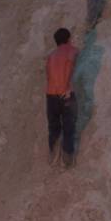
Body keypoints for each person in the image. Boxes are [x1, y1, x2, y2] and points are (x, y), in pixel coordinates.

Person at [45, 27, 79, 168]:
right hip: (65, 95)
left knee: (53, 127)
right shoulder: (71, 50)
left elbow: (49, 75)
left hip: (50, 96)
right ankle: (67, 159)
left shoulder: (51, 55)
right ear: (68, 39)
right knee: (69, 127)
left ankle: (53, 155)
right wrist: (66, 88)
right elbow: (70, 66)